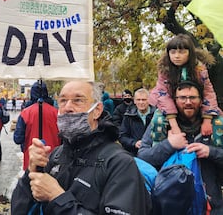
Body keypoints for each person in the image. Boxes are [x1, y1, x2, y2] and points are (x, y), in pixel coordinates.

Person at [11, 81, 152, 214]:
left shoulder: (119, 164)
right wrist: (31, 172)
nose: (68, 107)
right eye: (63, 100)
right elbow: (19, 210)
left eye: (78, 100)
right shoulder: (55, 156)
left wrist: (58, 197)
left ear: (97, 110)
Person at [139, 80, 223, 214]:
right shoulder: (161, 124)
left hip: (210, 206)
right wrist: (169, 145)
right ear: (174, 100)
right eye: (182, 98)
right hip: (170, 204)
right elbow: (142, 157)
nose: (188, 102)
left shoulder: (216, 125)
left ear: (201, 100)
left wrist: (211, 152)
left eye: (193, 97)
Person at [149, 34, 221, 137]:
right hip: (170, 106)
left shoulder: (200, 69)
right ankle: (159, 148)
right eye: (173, 52)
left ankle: (216, 150)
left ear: (190, 53)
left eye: (182, 52)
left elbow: (208, 92)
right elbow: (163, 95)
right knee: (157, 121)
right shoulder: (164, 70)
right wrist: (174, 125)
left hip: (195, 104)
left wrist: (207, 119)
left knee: (219, 121)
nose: (177, 56)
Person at [13, 81, 60, 170]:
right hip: (53, 160)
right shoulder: (56, 113)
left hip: (31, 161)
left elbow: (18, 139)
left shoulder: (26, 113)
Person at [119, 88, 155, 155]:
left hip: (153, 153)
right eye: (138, 100)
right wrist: (134, 143)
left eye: (144, 99)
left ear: (149, 100)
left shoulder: (156, 115)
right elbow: (122, 137)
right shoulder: (128, 116)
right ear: (134, 101)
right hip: (135, 154)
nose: (141, 102)